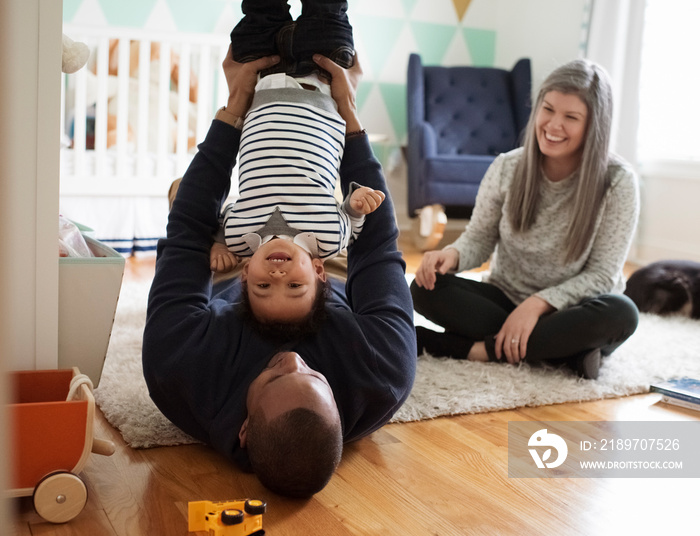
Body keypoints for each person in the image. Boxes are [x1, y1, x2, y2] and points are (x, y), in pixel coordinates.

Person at [142, 46, 416, 498]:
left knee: (182, 195)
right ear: (338, 413)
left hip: (229, 270)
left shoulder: (179, 370)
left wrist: (234, 109)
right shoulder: (381, 371)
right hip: (325, 266)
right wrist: (349, 113)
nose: (292, 357)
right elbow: (379, 245)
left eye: (272, 374)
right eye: (313, 373)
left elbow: (187, 233)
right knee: (347, 214)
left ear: (245, 429)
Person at [410, 59, 640, 380]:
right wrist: (451, 256)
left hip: (572, 310)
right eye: (548, 109)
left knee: (622, 314)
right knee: (423, 289)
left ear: (594, 126)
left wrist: (537, 305)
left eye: (571, 117)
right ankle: (567, 355)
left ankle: (476, 350)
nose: (553, 125)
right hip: (504, 299)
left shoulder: (618, 182)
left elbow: (602, 275)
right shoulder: (507, 167)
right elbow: (478, 238)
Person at [207, 0, 385, 330]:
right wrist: (357, 205)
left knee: (259, 13)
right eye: (294, 286)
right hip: (322, 80)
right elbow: (353, 221)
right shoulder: (329, 239)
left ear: (245, 274)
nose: (278, 276)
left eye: (263, 286)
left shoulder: (238, 237)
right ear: (318, 272)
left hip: (260, 77)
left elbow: (218, 216)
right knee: (327, 10)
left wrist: (218, 244)